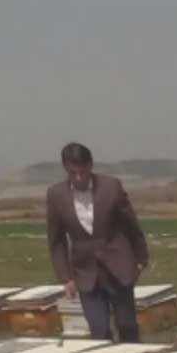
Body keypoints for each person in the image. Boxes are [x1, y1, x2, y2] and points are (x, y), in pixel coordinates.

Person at [45, 142, 148, 342]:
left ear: (90, 165)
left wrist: (140, 259)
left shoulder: (111, 187)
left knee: (127, 326)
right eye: (72, 172)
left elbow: (131, 226)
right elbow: (56, 240)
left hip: (118, 267)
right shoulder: (56, 195)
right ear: (65, 168)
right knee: (99, 331)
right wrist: (66, 277)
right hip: (85, 273)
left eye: (82, 172)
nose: (78, 178)